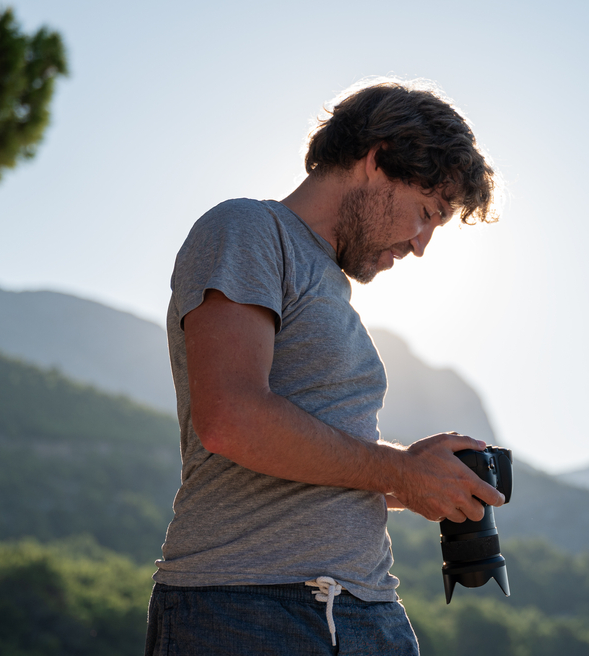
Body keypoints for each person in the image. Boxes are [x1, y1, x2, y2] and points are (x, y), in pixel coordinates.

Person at [145, 80, 504, 656]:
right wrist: (398, 473)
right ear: (377, 160)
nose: (421, 246)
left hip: (364, 611)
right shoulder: (247, 230)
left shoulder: (329, 286)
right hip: (247, 609)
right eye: (427, 213)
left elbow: (322, 463)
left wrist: (414, 477)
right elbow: (231, 419)